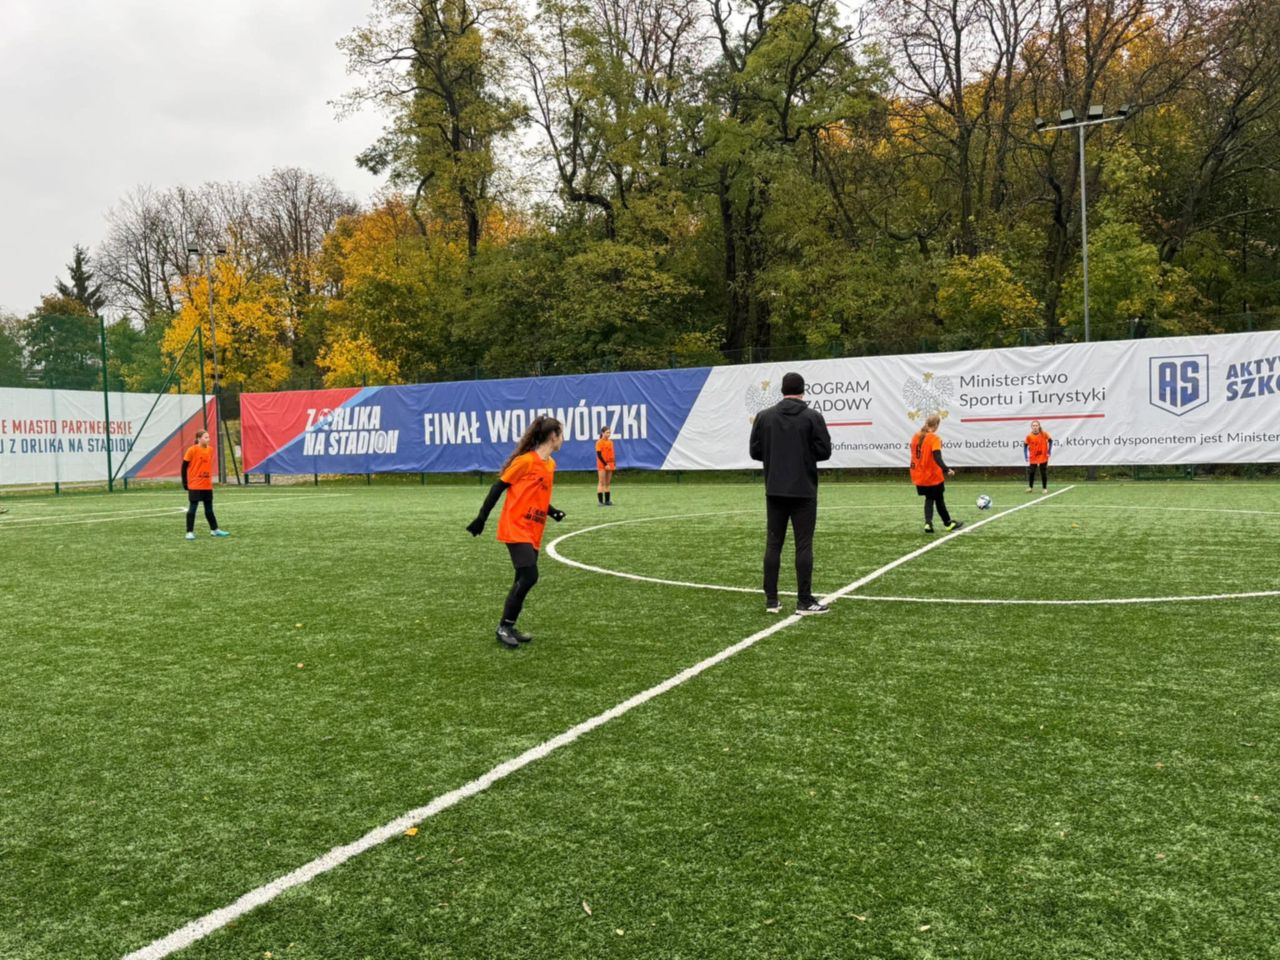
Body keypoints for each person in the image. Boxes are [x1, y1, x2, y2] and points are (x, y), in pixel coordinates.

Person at [466, 415, 567, 648]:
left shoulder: (550, 465)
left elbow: (536, 496)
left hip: (534, 529)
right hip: (515, 526)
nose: (563, 439)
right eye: (561, 434)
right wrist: (481, 518)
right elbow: (498, 487)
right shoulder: (525, 462)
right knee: (530, 575)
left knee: (522, 577)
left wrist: (553, 512)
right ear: (553, 437)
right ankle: (503, 627)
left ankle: (508, 625)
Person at [748, 371, 833, 616]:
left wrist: (777, 455)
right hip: (803, 490)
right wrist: (802, 453)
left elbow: (755, 452)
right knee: (803, 545)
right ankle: (804, 600)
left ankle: (772, 600)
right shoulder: (812, 417)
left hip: (774, 488)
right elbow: (824, 451)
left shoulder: (764, 417)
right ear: (803, 390)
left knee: (773, 544)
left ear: (782, 391)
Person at [910, 414, 962, 534]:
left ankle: (928, 523)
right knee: (939, 499)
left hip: (918, 475)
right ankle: (948, 523)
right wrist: (946, 469)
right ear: (936, 425)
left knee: (929, 498)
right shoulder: (934, 438)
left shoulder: (916, 436)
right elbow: (937, 457)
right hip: (932, 475)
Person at [183, 429, 230, 540]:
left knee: (209, 509)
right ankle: (189, 532)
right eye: (205, 437)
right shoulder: (191, 450)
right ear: (199, 438)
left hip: (207, 485)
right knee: (192, 508)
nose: (208, 439)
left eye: (208, 437)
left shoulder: (210, 450)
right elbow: (183, 467)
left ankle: (214, 529)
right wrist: (185, 482)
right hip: (195, 485)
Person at [1024, 420, 1052, 492]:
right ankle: (1030, 487)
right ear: (1031, 427)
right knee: (1031, 472)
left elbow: (1050, 440)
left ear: (1039, 426)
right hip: (1033, 457)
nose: (1035, 427)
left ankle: (1044, 488)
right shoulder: (1029, 436)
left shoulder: (1044, 434)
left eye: (1036, 425)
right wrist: (1025, 456)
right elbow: (1025, 446)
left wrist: (1049, 451)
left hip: (1043, 456)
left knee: (1043, 472)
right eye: (1033, 426)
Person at [595, 426, 616, 507]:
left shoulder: (611, 442)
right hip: (602, 464)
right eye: (607, 432)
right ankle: (600, 501)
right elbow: (599, 455)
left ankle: (607, 501)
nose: (609, 434)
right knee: (601, 482)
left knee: (607, 483)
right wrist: (605, 464)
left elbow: (612, 454)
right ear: (602, 433)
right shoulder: (599, 442)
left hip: (610, 464)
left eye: (609, 432)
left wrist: (613, 463)